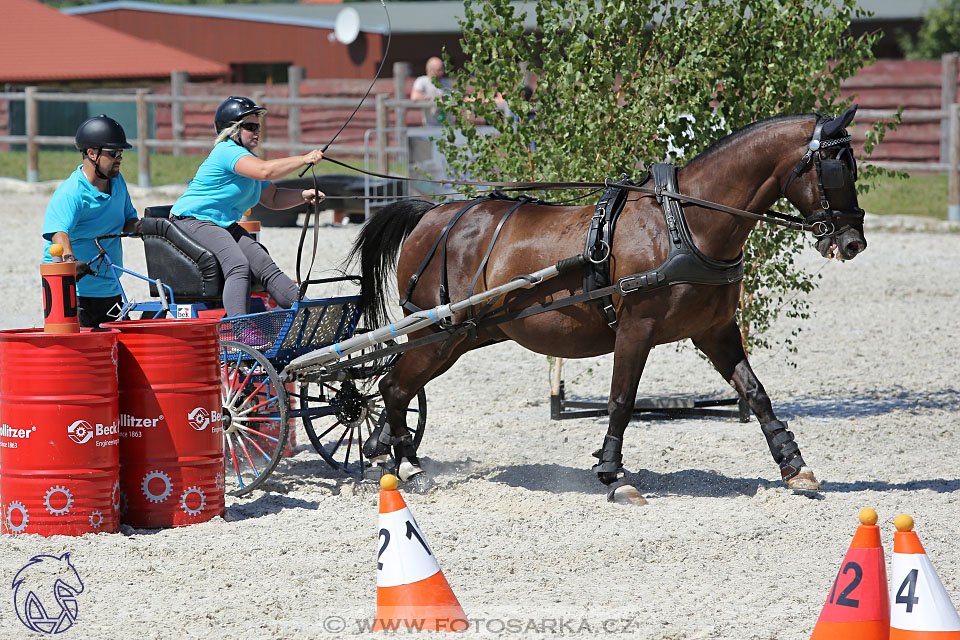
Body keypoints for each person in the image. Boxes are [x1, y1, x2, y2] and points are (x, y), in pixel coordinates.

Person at [169, 96, 325, 332]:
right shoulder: (226, 151)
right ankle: (241, 331)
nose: (256, 132)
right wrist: (304, 158)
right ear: (232, 130)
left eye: (257, 126)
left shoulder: (248, 159)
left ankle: (308, 316)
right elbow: (264, 172)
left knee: (264, 265)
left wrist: (303, 196)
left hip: (220, 223)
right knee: (238, 264)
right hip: (193, 219)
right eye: (250, 127)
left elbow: (272, 198)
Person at [42, 115, 140, 328]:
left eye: (121, 153)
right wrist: (70, 260)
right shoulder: (72, 193)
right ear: (92, 153)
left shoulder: (117, 182)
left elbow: (129, 220)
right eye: (113, 153)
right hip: (73, 291)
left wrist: (145, 227)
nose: (119, 158)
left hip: (110, 288)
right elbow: (59, 232)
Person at [410, 57, 452, 125]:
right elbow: (415, 96)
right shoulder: (422, 81)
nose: (441, 72)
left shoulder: (446, 82)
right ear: (429, 70)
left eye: (442, 69)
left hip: (448, 125)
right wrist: (434, 100)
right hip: (431, 126)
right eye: (438, 70)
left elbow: (452, 98)